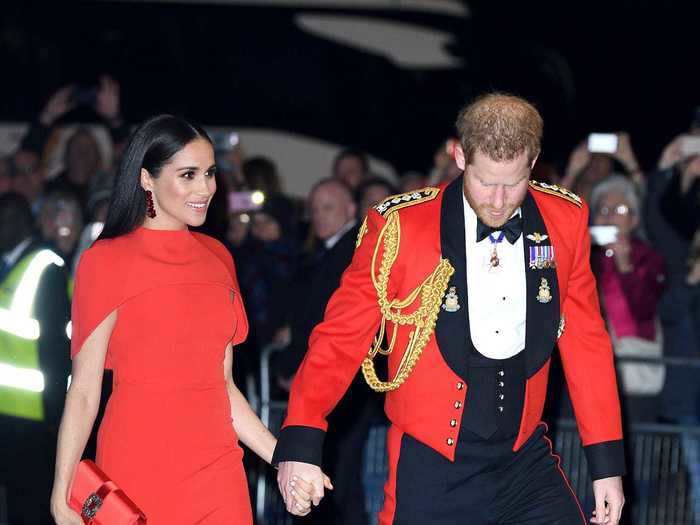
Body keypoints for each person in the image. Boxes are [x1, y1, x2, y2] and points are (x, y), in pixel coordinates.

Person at [273, 94, 626, 525]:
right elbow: (340, 338)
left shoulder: (565, 219)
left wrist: (606, 465)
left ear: (533, 161)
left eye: (512, 183)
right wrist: (301, 439)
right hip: (430, 465)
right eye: (485, 182)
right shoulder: (399, 225)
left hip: (524, 461)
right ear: (459, 155)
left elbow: (587, 342)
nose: (498, 201)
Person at [49, 115, 320, 525]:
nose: (205, 189)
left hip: (219, 471)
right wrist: (61, 490)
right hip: (138, 470)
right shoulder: (105, 261)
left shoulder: (218, 258)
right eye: (188, 174)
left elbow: (222, 388)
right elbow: (85, 391)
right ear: (146, 179)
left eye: (209, 173)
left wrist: (285, 461)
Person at [278, 178, 383, 525]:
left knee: (338, 476)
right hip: (334, 383)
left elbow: (331, 324)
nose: (319, 216)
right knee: (334, 477)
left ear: (351, 210)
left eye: (328, 207)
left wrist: (301, 368)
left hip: (343, 385)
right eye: (315, 208)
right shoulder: (326, 253)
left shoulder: (353, 250)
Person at [0, 193, 71, 525]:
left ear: (22, 222)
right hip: (7, 415)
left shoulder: (46, 267)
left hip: (34, 417)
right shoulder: (7, 264)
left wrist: (56, 416)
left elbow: (55, 346)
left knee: (30, 506)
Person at [589, 175, 666, 418]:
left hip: (633, 371)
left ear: (633, 219)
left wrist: (625, 266)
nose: (610, 215)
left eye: (620, 209)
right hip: (590, 369)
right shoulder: (585, 255)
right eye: (603, 209)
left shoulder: (648, 258)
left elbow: (645, 308)